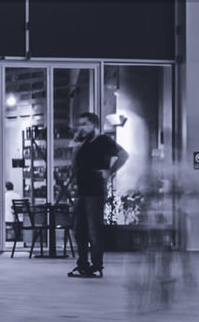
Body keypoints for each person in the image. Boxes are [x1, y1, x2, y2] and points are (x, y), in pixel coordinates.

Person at [68, 112, 128, 279]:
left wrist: (110, 171)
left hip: (95, 192)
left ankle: (96, 265)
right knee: (78, 230)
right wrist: (76, 147)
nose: (82, 128)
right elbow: (74, 167)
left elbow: (123, 155)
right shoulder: (84, 143)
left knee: (94, 230)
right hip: (81, 191)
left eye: (85, 124)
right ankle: (82, 264)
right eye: (80, 124)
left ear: (94, 125)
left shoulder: (104, 141)